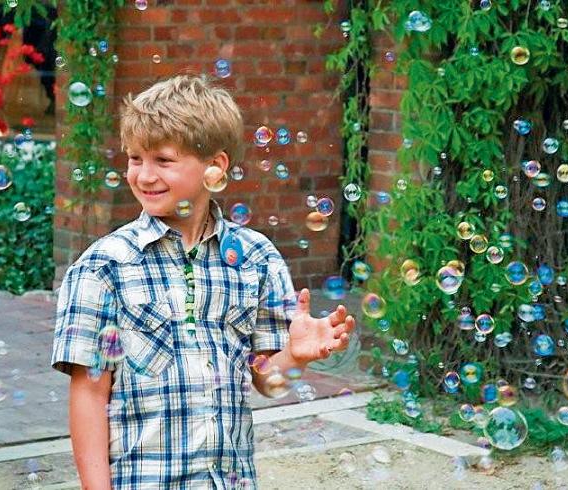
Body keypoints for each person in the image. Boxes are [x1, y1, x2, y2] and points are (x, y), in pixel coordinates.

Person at [51, 74, 355, 489]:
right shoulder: (104, 267)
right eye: (135, 158)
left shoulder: (256, 258)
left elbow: (267, 380)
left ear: (216, 167)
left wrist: (295, 356)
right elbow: (89, 395)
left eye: (163, 160)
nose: (144, 175)